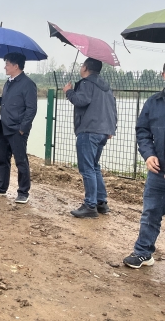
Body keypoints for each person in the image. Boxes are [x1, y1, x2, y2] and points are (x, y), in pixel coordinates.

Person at [63, 58, 117, 218]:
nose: (81, 67)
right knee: (94, 166)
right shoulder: (106, 87)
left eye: (82, 65)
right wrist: (110, 129)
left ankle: (90, 205)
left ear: (86, 68)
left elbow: (81, 100)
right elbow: (113, 108)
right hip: (103, 131)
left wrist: (68, 91)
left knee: (87, 168)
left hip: (88, 130)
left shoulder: (87, 83)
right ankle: (101, 202)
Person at [123, 65, 165, 268]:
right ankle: (143, 253)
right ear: (163, 74)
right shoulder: (153, 102)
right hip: (158, 172)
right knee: (150, 213)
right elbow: (143, 131)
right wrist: (148, 155)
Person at [0, 53, 37, 204]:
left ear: (16, 66)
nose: (5, 67)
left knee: (21, 161)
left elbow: (31, 109)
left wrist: (22, 128)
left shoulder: (28, 84)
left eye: (7, 64)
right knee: (2, 159)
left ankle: (23, 192)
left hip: (17, 130)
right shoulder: (8, 82)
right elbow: (5, 103)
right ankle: (1, 187)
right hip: (3, 127)